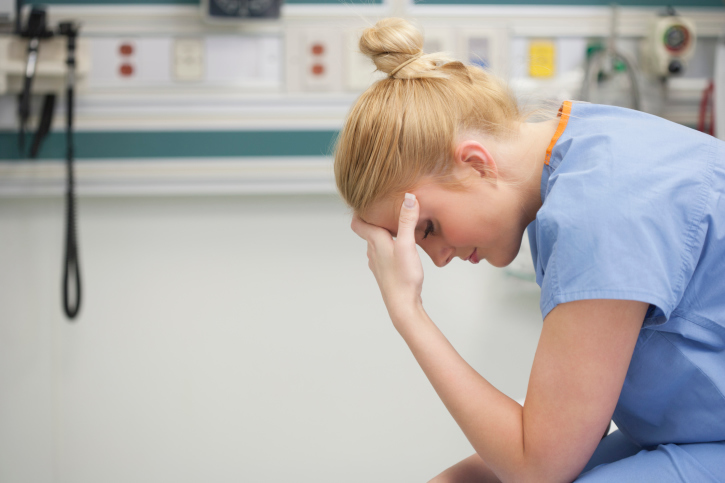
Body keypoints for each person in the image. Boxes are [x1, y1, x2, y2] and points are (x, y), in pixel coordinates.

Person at [333, 17, 725, 483]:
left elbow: (538, 468)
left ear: (476, 164)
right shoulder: (577, 156)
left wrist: (408, 313)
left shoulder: (598, 211)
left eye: (428, 228)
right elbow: (569, 427)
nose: (437, 258)